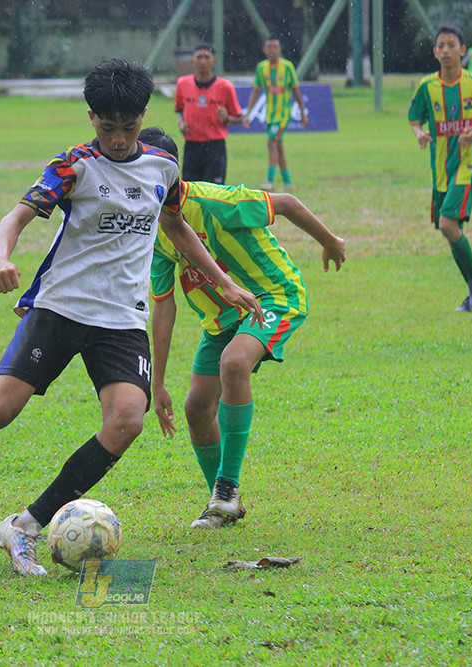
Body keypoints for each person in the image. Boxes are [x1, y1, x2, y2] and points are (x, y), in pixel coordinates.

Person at [0, 59, 263, 576]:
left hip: (122, 317)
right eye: (107, 127)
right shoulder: (74, 166)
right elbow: (17, 216)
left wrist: (224, 282)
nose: (119, 139)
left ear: (143, 116)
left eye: (128, 127)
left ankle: (25, 527)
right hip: (61, 307)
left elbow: (177, 226)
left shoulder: (164, 168)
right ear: (91, 118)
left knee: (126, 421)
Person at [140, 127, 345, 529]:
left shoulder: (215, 202)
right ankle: (223, 505)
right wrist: (157, 382)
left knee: (234, 364)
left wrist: (330, 240)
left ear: (169, 172)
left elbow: (284, 203)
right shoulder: (154, 231)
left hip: (273, 296)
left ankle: (226, 488)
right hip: (221, 321)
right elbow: (163, 308)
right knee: (196, 408)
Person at [408, 26, 472, 313]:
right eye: (441, 45)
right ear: (435, 52)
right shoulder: (427, 87)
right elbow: (414, 119)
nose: (446, 50)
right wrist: (419, 134)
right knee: (450, 229)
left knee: (448, 224)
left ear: (463, 50)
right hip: (440, 170)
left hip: (467, 164)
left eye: (451, 45)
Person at [243, 38, 308, 192]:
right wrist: (248, 113)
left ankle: (270, 181)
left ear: (279, 49)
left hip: (283, 115)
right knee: (278, 146)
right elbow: (256, 90)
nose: (272, 50)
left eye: (275, 47)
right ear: (264, 50)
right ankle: (288, 182)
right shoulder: (261, 68)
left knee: (272, 143)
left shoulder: (287, 67)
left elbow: (296, 90)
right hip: (270, 115)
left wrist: (303, 113)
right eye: (269, 47)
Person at [174, 43, 243, 184]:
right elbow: (179, 110)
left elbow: (239, 118)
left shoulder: (225, 87)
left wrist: (227, 118)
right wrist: (181, 123)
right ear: (192, 61)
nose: (203, 61)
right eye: (199, 57)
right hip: (192, 146)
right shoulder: (182, 84)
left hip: (215, 147)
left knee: (215, 193)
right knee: (190, 193)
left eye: (207, 57)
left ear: (214, 62)